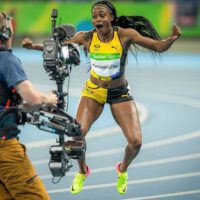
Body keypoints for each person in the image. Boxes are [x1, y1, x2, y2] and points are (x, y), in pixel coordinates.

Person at [22, 0, 181, 195]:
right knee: (77, 135)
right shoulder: (87, 37)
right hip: (93, 92)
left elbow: (158, 47)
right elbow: (57, 47)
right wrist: (33, 47)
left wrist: (171, 39)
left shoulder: (124, 35)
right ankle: (82, 172)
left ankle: (122, 170)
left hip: (119, 93)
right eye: (94, 16)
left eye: (101, 15)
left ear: (111, 18)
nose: (97, 19)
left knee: (136, 142)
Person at [0, 12, 58, 199]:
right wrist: (48, 100)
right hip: (4, 148)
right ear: (7, 33)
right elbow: (33, 99)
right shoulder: (7, 60)